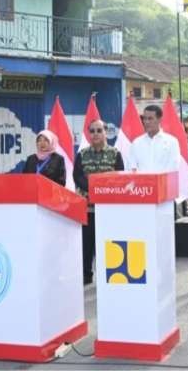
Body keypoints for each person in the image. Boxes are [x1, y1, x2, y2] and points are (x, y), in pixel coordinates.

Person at [73, 119, 124, 285]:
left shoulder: (115, 153)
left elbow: (119, 177)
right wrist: (94, 189)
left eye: (99, 130)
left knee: (106, 244)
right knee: (86, 245)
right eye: (92, 131)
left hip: (108, 208)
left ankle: (106, 275)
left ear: (105, 132)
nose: (95, 134)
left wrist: (102, 190)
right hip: (86, 208)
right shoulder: (81, 154)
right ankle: (86, 274)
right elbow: (77, 176)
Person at [129, 105, 179, 173]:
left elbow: (173, 168)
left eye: (150, 118)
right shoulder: (136, 143)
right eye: (144, 118)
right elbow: (132, 167)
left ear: (159, 119)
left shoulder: (171, 142)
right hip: (142, 182)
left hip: (163, 182)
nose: (146, 122)